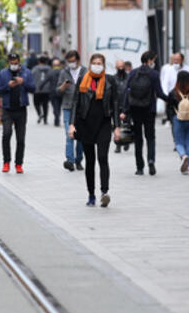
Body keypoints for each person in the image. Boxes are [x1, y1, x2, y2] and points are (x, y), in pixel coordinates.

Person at [68, 54, 121, 207]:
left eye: (99, 63)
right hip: (85, 124)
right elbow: (75, 103)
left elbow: (115, 104)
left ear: (104, 65)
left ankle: (104, 192)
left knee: (103, 158)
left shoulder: (110, 81)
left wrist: (117, 126)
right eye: (94, 63)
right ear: (90, 64)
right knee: (90, 161)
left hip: (104, 124)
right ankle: (91, 194)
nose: (97, 65)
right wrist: (72, 124)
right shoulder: (83, 79)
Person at [120, 51, 168, 175]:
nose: (154, 62)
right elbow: (159, 93)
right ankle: (151, 160)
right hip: (149, 109)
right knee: (150, 137)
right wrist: (172, 100)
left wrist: (125, 110)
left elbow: (127, 91)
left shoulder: (133, 72)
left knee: (138, 138)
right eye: (154, 60)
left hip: (135, 109)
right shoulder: (154, 74)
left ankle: (139, 167)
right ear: (150, 60)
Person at [0, 53, 36, 173]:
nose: (13, 65)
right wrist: (8, 86)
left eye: (15, 63)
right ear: (8, 62)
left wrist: (23, 82)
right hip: (7, 109)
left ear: (19, 62)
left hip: (21, 109)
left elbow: (33, 89)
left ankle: (19, 164)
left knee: (21, 138)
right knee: (6, 134)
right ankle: (6, 162)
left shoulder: (26, 72)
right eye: (11, 63)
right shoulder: (3, 74)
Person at [57, 51, 86, 172]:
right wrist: (63, 86)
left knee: (80, 136)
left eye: (73, 61)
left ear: (78, 60)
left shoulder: (85, 71)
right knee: (69, 135)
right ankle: (70, 160)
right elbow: (58, 91)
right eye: (69, 61)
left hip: (82, 107)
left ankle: (79, 159)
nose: (71, 63)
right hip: (68, 106)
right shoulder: (64, 72)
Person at [168, 71, 189, 174]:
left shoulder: (173, 92)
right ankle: (187, 166)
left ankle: (183, 156)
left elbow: (169, 108)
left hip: (178, 120)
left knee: (178, 142)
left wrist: (172, 119)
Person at [31, 56, 52, 124]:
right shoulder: (49, 69)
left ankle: (40, 113)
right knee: (45, 105)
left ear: (39, 61)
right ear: (46, 62)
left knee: (36, 103)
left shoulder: (34, 69)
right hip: (47, 90)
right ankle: (45, 119)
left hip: (37, 89)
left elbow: (31, 77)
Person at [47, 58, 63, 127]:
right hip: (60, 92)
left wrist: (40, 87)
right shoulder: (62, 72)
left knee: (55, 106)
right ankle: (57, 116)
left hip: (53, 92)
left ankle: (56, 117)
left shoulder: (50, 72)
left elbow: (45, 80)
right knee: (58, 106)